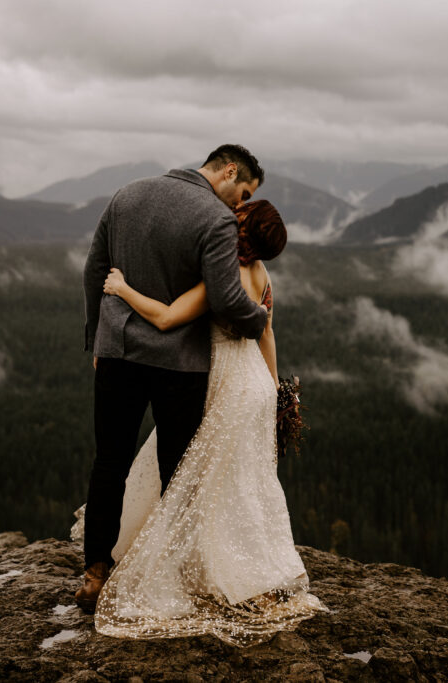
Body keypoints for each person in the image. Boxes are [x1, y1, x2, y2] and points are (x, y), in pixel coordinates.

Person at [86, 200, 324, 645]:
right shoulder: (262, 277)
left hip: (222, 384)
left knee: (201, 477)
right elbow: (268, 333)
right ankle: (256, 563)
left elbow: (167, 317)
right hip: (254, 383)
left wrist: (120, 288)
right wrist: (274, 394)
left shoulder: (222, 276)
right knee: (246, 480)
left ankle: (207, 564)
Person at [78, 145, 269, 613]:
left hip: (119, 350)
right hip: (180, 363)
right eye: (242, 194)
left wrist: (97, 339)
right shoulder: (215, 218)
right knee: (177, 475)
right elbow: (225, 299)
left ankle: (95, 573)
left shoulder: (127, 195)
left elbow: (93, 270)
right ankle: (169, 577)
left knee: (110, 463)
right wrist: (259, 319)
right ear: (228, 171)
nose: (239, 206)